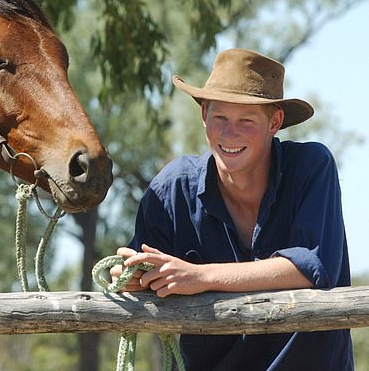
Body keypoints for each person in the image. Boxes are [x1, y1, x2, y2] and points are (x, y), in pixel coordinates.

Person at [111, 48, 353, 370]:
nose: (230, 133)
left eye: (246, 121)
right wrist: (132, 274)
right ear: (204, 116)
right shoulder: (172, 188)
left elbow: (310, 267)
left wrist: (199, 276)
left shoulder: (311, 167)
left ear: (275, 122)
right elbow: (139, 268)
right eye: (220, 118)